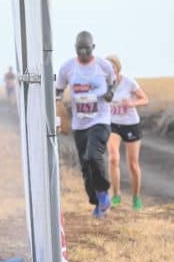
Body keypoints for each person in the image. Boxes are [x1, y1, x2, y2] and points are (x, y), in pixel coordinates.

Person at [55, 31, 116, 218]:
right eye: (79, 48)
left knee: (92, 156)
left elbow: (112, 84)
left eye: (86, 48)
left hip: (100, 119)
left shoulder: (103, 66)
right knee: (85, 167)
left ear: (93, 48)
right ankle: (97, 202)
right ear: (75, 48)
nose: (83, 52)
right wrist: (58, 104)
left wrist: (110, 94)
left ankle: (104, 193)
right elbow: (58, 89)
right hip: (80, 123)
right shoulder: (67, 68)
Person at [105, 55, 149, 211]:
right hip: (113, 124)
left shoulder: (128, 82)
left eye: (113, 67)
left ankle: (136, 198)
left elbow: (145, 99)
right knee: (113, 158)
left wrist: (132, 103)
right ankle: (116, 195)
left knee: (133, 164)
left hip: (131, 124)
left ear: (117, 68)